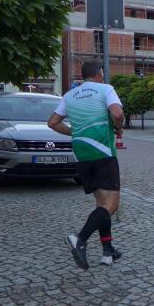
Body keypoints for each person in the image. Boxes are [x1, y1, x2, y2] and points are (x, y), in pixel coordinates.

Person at [48, 60, 125, 270]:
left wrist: (74, 132)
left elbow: (52, 122)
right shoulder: (106, 89)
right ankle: (79, 239)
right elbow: (117, 114)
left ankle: (108, 251)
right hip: (103, 152)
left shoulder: (69, 95)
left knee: (101, 204)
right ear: (99, 73)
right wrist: (119, 127)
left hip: (81, 154)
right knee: (111, 205)